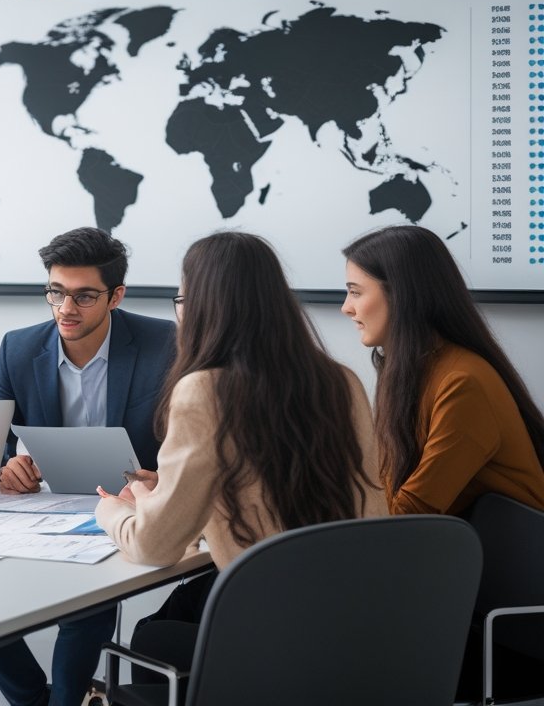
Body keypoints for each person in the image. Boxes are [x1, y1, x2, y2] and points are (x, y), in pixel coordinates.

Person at [96, 230, 384, 679]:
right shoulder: (341, 380)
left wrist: (112, 511)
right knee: (179, 611)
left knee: (151, 638)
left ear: (203, 308)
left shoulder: (204, 391)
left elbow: (155, 546)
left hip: (275, 636)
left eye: (182, 301)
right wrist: (167, 491)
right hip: (360, 623)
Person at [0, 227, 176, 706]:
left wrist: (159, 478)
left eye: (84, 296)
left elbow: (183, 441)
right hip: (46, 508)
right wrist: (9, 467)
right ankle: (31, 697)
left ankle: (65, 699)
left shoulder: (163, 343)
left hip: (127, 508)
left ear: (116, 296)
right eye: (56, 292)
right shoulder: (19, 348)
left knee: (91, 598)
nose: (66, 308)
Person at [341, 224, 544, 515]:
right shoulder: (406, 370)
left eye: (356, 292)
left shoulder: (463, 383)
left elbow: (410, 513)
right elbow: (388, 490)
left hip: (512, 556)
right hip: (458, 549)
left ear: (401, 296)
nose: (346, 307)